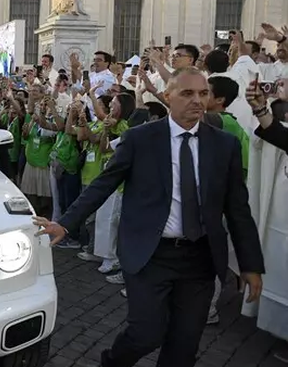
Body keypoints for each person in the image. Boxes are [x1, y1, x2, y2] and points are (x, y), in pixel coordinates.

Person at [34, 67, 265, 367]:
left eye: (203, 93)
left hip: (200, 259)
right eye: (187, 93)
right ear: (168, 96)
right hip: (149, 254)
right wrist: (66, 222)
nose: (197, 100)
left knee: (184, 346)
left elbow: (237, 208)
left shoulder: (225, 145)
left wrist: (250, 264)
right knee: (146, 333)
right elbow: (104, 183)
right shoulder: (140, 139)